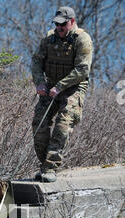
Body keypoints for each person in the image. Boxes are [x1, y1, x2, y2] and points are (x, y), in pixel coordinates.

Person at [31, 6, 93, 182]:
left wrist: (60, 86)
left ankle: (50, 168)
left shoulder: (82, 40)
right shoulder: (48, 39)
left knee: (62, 124)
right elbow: (36, 62)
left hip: (73, 87)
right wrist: (40, 82)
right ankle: (45, 165)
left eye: (63, 25)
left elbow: (82, 70)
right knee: (39, 123)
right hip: (50, 86)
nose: (59, 28)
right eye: (56, 24)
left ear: (71, 22)